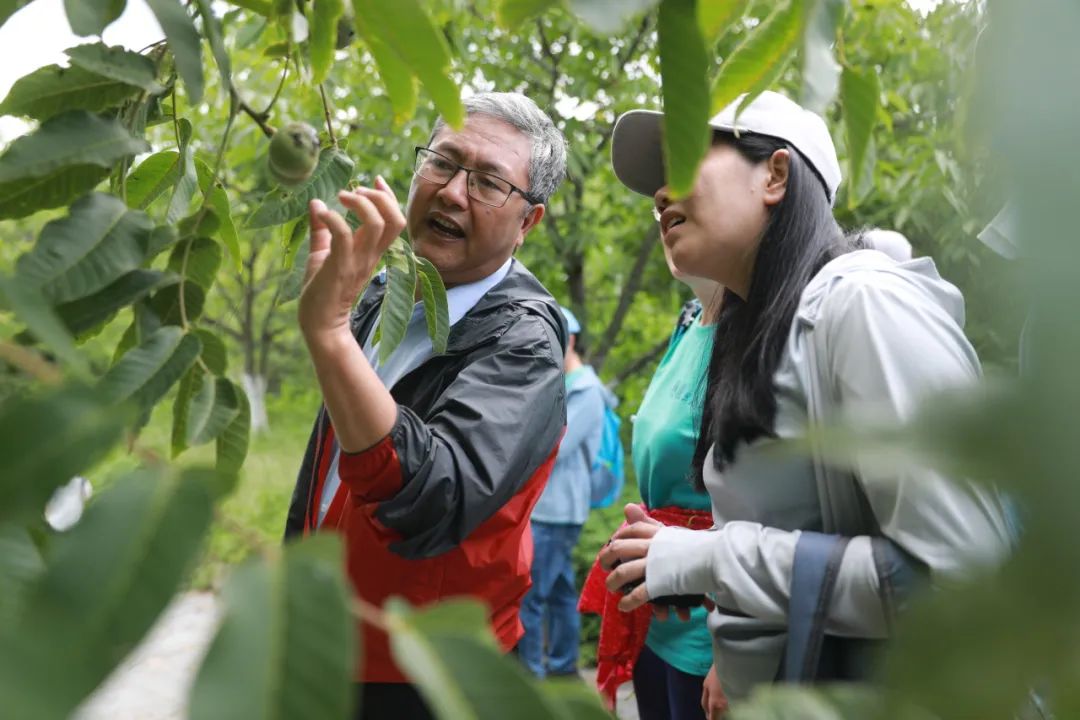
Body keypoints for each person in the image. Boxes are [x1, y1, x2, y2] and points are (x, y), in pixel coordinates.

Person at [598, 90, 1013, 708]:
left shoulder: (865, 305)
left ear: (775, 175)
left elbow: (960, 578)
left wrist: (708, 558)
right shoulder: (755, 333)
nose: (660, 194)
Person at [284, 92, 569, 720]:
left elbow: (435, 494)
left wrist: (329, 335)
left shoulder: (524, 341)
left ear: (528, 222)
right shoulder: (384, 293)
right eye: (442, 162)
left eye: (489, 182)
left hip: (424, 674)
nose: (452, 193)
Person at [519, 306, 612, 679]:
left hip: (557, 511)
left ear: (568, 340)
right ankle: (563, 669)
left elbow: (558, 446)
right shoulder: (566, 385)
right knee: (558, 593)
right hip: (550, 508)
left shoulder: (586, 391)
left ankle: (530, 679)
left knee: (530, 596)